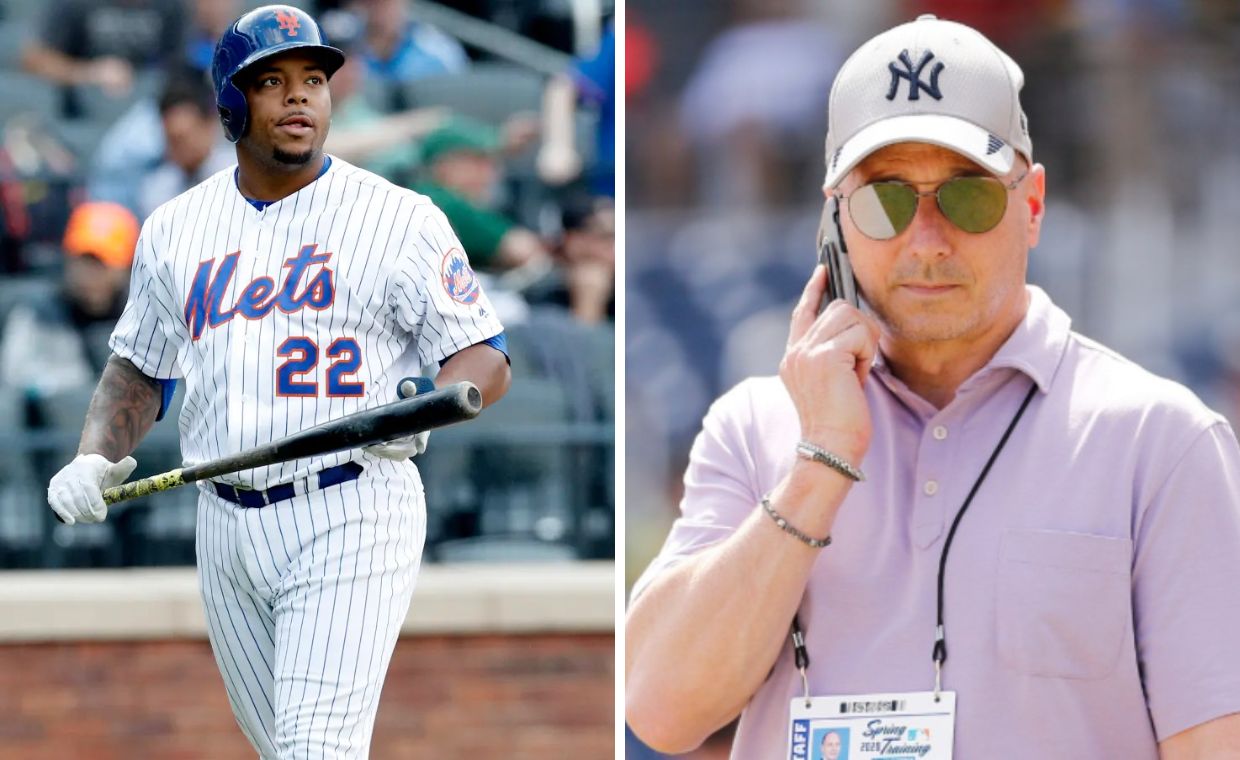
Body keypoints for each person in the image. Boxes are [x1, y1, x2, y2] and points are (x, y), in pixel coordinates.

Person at [626, 14, 1240, 759]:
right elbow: (660, 712)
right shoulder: (754, 426)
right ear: (835, 221)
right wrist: (818, 464)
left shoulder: (1162, 441)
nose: (926, 240)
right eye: (885, 200)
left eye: (968, 197)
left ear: (1032, 205)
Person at [45, 6, 510, 757]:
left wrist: (426, 408)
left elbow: (483, 353)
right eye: (274, 82)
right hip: (224, 519)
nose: (300, 97)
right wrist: (94, 453)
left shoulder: (398, 217)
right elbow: (139, 366)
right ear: (231, 103)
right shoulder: (175, 227)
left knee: (313, 749)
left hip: (352, 500)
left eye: (314, 80)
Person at [0, 202, 139, 398]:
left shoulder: (144, 320)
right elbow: (14, 376)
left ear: (126, 267)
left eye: (101, 263)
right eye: (81, 261)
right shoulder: (39, 314)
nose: (88, 273)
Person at [414, 118, 551, 274]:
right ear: (445, 166)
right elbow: (521, 249)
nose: (488, 172)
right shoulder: (445, 204)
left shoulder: (420, 194)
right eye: (478, 162)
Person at [21, 0, 185, 99]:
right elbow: (34, 58)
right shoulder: (76, 4)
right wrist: (90, 73)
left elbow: (184, 64)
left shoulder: (171, 6)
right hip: (80, 108)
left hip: (145, 109)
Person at [137, 71, 233, 218]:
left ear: (209, 125)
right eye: (171, 139)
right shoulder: (156, 189)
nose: (178, 147)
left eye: (183, 137)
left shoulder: (241, 175)